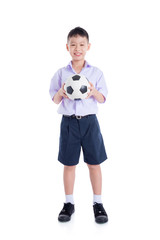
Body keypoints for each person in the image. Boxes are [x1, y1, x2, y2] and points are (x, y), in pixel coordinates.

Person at [49, 27, 108, 224]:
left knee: (94, 163)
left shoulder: (96, 73)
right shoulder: (61, 73)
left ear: (88, 47)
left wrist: (92, 92)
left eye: (82, 44)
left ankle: (98, 204)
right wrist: (61, 93)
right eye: (73, 44)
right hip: (69, 123)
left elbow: (102, 98)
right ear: (67, 47)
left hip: (90, 122)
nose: (77, 48)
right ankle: (68, 203)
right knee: (69, 164)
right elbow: (55, 99)